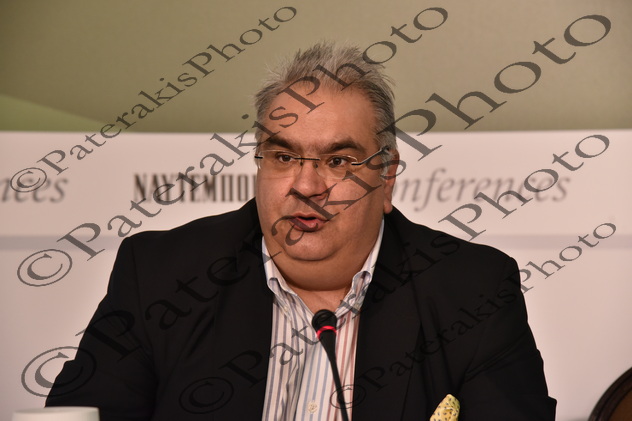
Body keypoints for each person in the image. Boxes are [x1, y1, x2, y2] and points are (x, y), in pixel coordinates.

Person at [46, 43, 556, 420]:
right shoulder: (163, 274)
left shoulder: (472, 291)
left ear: (386, 176)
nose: (306, 186)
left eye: (338, 160)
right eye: (283, 156)